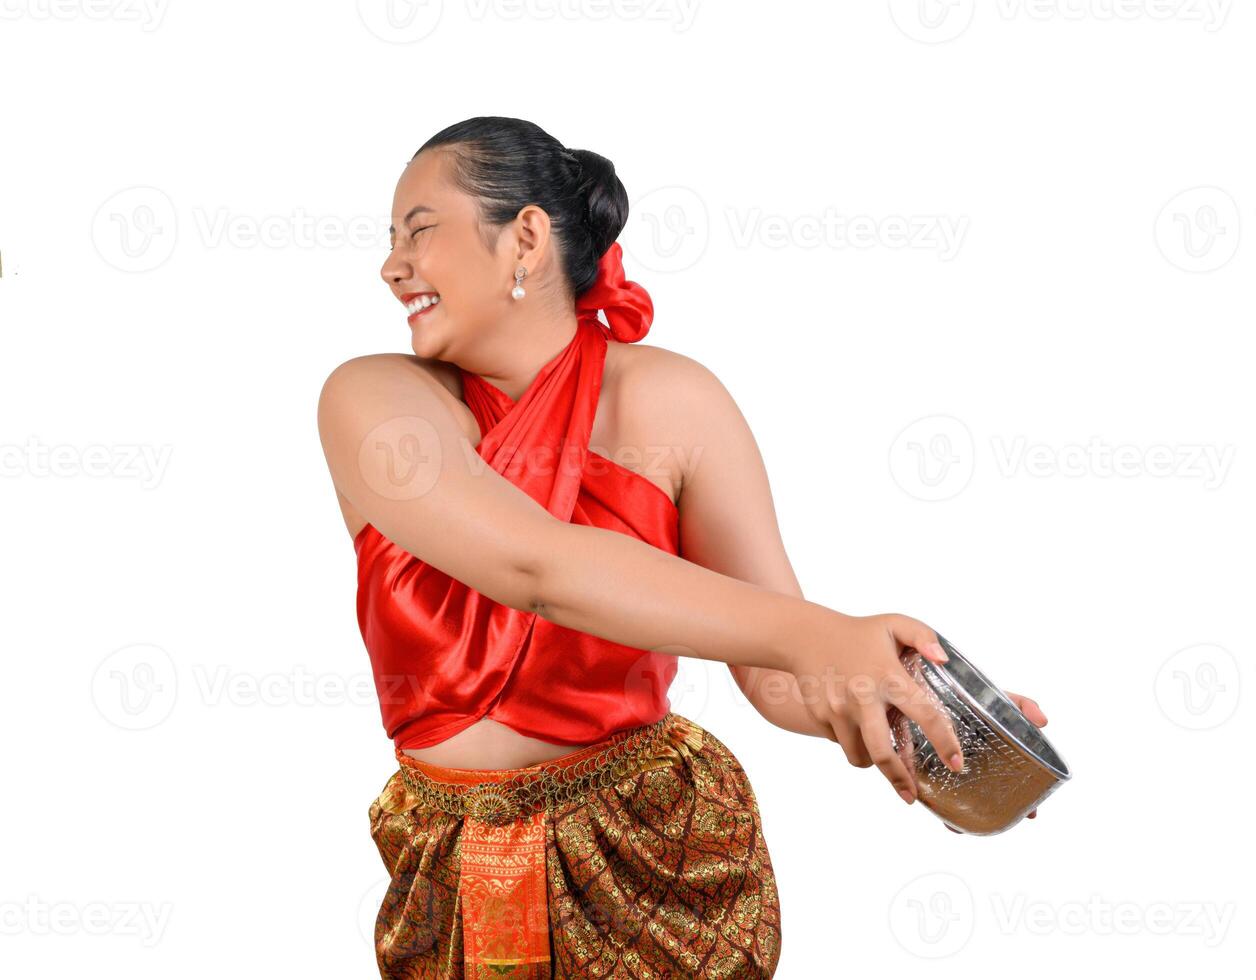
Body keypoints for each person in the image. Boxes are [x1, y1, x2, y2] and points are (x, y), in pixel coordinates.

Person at [317, 116, 1048, 979]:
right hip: (448, 857)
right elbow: (535, 567)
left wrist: (905, 707)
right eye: (391, 239)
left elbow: (777, 672)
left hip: (653, 844)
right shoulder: (375, 397)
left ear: (523, 238)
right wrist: (820, 633)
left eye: (420, 231)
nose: (391, 264)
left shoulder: (675, 400)